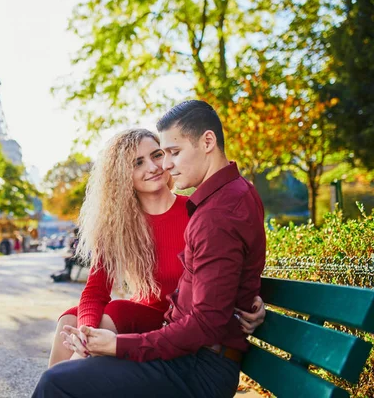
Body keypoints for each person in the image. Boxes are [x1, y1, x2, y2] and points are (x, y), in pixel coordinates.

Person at [34, 100, 267, 397]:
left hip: (184, 336)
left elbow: (226, 274)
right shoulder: (123, 225)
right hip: (167, 328)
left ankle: (70, 379)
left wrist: (251, 301)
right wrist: (86, 334)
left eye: (162, 154)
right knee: (71, 321)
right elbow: (95, 290)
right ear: (122, 177)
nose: (159, 166)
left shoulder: (201, 212)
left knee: (106, 323)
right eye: (139, 162)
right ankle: (72, 374)